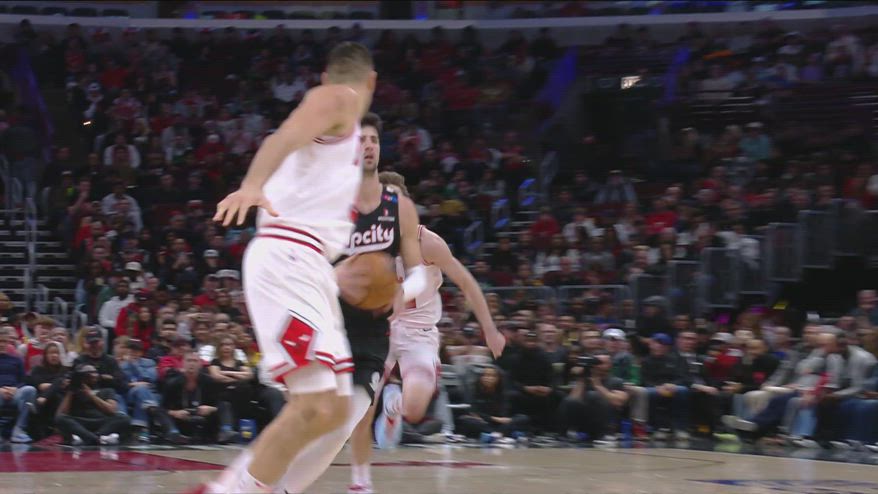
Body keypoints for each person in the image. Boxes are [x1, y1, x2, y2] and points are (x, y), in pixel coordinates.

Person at [195, 42, 381, 494]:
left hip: (311, 265)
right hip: (287, 256)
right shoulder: (339, 98)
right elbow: (282, 137)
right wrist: (252, 185)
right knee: (315, 405)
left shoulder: (349, 135)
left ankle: (236, 487)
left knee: (334, 411)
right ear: (371, 80)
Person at [273, 113, 430, 494]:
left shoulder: (399, 207)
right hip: (325, 323)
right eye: (360, 140)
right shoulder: (325, 205)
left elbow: (420, 274)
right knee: (309, 420)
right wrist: (334, 276)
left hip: (371, 333)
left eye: (373, 140)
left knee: (344, 426)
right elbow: (293, 263)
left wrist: (401, 292)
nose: (368, 146)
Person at [373, 171, 505, 451]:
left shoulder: (428, 242)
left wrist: (490, 329)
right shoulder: (370, 240)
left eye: (394, 199)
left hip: (418, 333)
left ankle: (393, 406)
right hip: (380, 328)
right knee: (353, 400)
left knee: (414, 409)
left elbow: (467, 283)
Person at [557, 353, 628, 442]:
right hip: (586, 419)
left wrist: (598, 385)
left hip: (607, 422)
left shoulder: (617, 381)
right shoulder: (586, 380)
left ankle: (603, 435)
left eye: (601, 363)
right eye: (595, 363)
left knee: (592, 395)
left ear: (610, 365)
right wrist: (581, 380)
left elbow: (618, 402)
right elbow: (572, 400)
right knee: (568, 400)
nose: (597, 365)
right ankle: (563, 434)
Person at [54, 363, 131, 446]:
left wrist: (90, 395)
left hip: (101, 422)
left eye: (95, 372)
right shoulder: (72, 392)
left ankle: (91, 437)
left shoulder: (107, 390)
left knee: (123, 418)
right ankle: (95, 439)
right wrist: (71, 391)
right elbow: (61, 414)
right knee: (60, 418)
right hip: (80, 423)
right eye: (89, 372)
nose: (94, 375)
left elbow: (112, 410)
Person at [456, 366, 528, 439]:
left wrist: (505, 420)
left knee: (522, 418)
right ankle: (497, 434)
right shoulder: (474, 391)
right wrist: (493, 418)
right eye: (485, 375)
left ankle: (496, 434)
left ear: (498, 378)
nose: (488, 378)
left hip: (500, 424)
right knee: (466, 420)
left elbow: (504, 413)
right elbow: (473, 411)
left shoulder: (504, 393)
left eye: (492, 376)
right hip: (483, 423)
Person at [0, 326, 37, 443]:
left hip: (14, 393)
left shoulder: (17, 360)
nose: (2, 344)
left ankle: (19, 430)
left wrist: (15, 389)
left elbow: (23, 380)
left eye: (4, 341)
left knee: (30, 390)